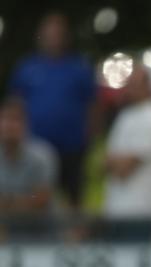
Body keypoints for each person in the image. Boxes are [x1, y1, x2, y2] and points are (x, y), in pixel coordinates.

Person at [9, 12, 96, 210]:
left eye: (57, 34)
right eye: (49, 34)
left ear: (65, 37)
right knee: (35, 196)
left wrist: (90, 136)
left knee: (74, 197)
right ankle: (37, 238)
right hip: (35, 147)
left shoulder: (78, 66)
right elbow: (15, 105)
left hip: (71, 146)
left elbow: (93, 106)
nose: (53, 39)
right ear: (40, 36)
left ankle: (75, 239)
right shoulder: (27, 67)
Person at [102, 65, 151, 239]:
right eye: (129, 83)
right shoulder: (124, 115)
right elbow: (104, 162)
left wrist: (116, 162)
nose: (130, 88)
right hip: (114, 209)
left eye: (135, 83)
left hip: (144, 209)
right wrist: (116, 162)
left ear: (148, 85)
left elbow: (125, 167)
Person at [0, 97, 59, 240]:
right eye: (5, 119)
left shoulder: (43, 155)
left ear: (25, 125)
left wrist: (7, 203)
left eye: (15, 120)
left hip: (40, 236)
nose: (10, 125)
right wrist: (23, 201)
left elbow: (40, 201)